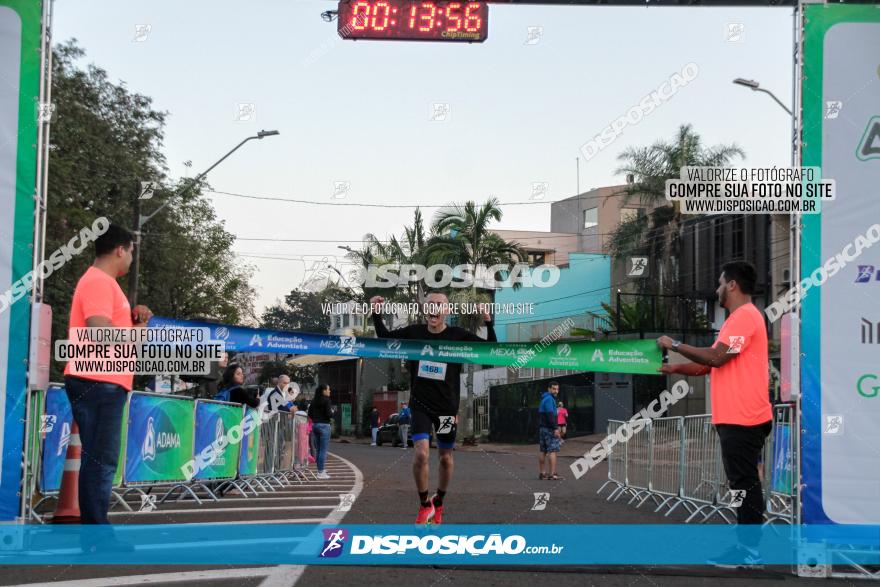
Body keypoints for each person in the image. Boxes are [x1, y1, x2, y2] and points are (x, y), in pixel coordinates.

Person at [657, 261, 772, 567]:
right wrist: (674, 367)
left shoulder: (745, 316)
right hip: (738, 418)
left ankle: (749, 551)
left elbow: (717, 357)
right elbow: (708, 363)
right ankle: (746, 546)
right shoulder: (739, 319)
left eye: (720, 283)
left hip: (743, 417)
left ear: (732, 284)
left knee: (745, 484)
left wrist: (676, 344)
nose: (717, 289)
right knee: (741, 483)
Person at [370, 291, 496, 525]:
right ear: (425, 310)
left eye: (439, 305)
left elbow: (491, 349)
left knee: (446, 458)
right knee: (421, 453)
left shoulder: (458, 335)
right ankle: (424, 503)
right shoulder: (414, 332)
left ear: (446, 311)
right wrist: (376, 313)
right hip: (420, 405)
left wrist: (488, 321)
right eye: (430, 305)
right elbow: (385, 338)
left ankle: (439, 501)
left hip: (447, 408)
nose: (434, 309)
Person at [61, 224, 152, 550]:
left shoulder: (103, 283)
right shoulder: (99, 281)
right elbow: (98, 331)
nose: (131, 258)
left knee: (99, 459)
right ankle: (97, 537)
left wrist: (137, 323)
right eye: (131, 251)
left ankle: (95, 534)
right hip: (99, 380)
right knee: (101, 461)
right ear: (120, 249)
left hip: (101, 380)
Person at [308, 384, 334, 479]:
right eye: (328, 389)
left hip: (315, 425)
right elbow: (329, 414)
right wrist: (332, 412)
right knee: (323, 450)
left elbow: (309, 413)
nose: (329, 391)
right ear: (323, 391)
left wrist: (316, 418)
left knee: (318, 449)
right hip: (324, 425)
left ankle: (320, 470)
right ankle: (321, 472)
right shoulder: (327, 400)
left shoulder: (314, 401)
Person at [538, 382, 563, 480]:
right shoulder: (549, 399)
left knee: (543, 451)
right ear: (549, 389)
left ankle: (542, 473)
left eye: (557, 389)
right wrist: (555, 428)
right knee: (552, 451)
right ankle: (552, 474)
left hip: (542, 428)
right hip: (549, 429)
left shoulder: (544, 398)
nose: (556, 391)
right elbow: (550, 415)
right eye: (553, 389)